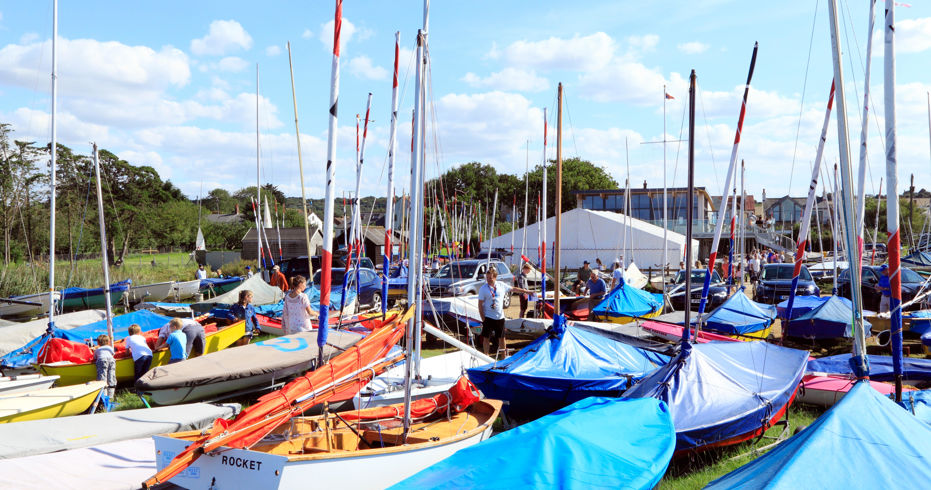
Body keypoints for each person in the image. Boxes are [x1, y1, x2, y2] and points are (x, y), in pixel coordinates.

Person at [478, 267, 531, 356]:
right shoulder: (483, 288)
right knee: (486, 338)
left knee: (502, 338)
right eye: (487, 278)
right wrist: (483, 319)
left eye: (490, 278)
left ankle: (503, 357)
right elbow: (480, 305)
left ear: (495, 277)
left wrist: (526, 291)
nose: (488, 280)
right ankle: (486, 356)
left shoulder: (501, 285)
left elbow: (514, 289)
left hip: (500, 317)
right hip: (488, 317)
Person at [93, 334, 116, 399]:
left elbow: (94, 357)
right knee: (111, 376)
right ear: (108, 342)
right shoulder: (110, 348)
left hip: (102, 360)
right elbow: (113, 354)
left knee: (102, 377)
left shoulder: (97, 350)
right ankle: (111, 396)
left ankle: (104, 396)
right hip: (111, 360)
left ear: (98, 342)